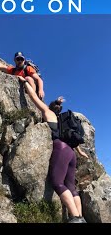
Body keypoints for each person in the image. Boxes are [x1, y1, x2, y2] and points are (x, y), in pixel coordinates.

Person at [17, 75, 89, 223]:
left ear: (49, 107)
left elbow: (33, 97)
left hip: (60, 148)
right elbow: (74, 142)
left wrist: (25, 82)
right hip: (71, 153)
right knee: (71, 186)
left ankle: (75, 218)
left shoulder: (48, 113)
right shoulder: (63, 122)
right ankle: (80, 217)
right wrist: (81, 152)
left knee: (57, 183)